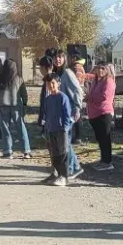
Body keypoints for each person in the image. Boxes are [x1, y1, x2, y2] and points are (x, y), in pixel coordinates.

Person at [54, 50, 84, 178]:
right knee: (64, 141)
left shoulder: (67, 73)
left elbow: (78, 90)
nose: (58, 59)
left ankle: (72, 168)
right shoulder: (56, 73)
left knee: (65, 141)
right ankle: (75, 166)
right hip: (60, 110)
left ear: (65, 58)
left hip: (70, 109)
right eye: (55, 57)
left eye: (60, 57)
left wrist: (77, 107)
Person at [0, 59, 31, 159]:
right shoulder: (19, 79)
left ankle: (8, 151)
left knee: (5, 128)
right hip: (16, 106)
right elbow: (24, 93)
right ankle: (26, 151)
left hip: (3, 105)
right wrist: (24, 103)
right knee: (21, 127)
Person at [42, 72, 73, 187]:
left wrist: (65, 127)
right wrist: (46, 126)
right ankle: (56, 174)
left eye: (53, 83)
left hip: (61, 130)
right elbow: (47, 114)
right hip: (51, 129)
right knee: (54, 153)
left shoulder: (63, 97)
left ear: (58, 83)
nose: (51, 85)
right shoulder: (48, 98)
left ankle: (64, 177)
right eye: (48, 83)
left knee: (63, 153)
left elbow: (67, 114)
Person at [86, 62, 116, 171]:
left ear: (107, 70)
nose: (100, 71)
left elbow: (104, 97)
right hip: (94, 114)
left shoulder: (109, 81)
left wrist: (90, 98)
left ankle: (108, 162)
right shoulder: (95, 80)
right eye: (98, 68)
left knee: (105, 138)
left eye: (103, 68)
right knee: (100, 139)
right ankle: (103, 160)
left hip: (104, 113)